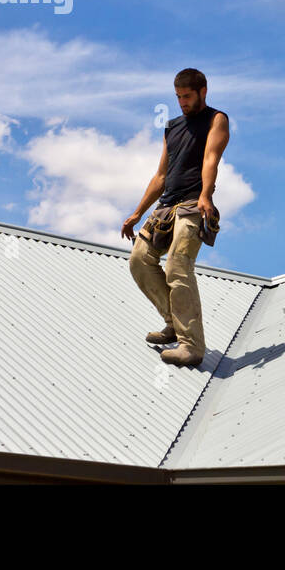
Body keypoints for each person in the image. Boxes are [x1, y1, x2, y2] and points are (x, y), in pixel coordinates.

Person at [122, 68, 230, 367]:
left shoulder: (216, 119)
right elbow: (160, 176)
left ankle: (191, 346)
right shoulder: (172, 127)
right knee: (139, 260)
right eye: (178, 97)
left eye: (187, 96)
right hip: (165, 207)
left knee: (177, 265)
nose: (182, 102)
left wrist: (206, 194)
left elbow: (211, 158)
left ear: (202, 92)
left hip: (193, 204)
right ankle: (173, 322)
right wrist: (136, 212)